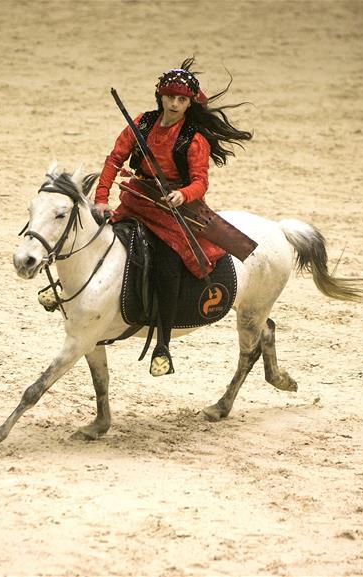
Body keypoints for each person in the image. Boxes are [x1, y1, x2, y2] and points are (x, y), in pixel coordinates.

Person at [95, 57, 252, 377]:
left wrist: (183, 195)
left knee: (167, 266)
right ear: (161, 97)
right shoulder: (142, 123)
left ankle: (163, 344)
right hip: (137, 199)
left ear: (189, 103)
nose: (175, 104)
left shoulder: (193, 139)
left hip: (174, 211)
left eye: (181, 99)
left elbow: (200, 182)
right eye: (170, 97)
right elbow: (114, 159)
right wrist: (101, 198)